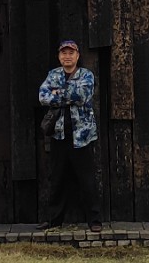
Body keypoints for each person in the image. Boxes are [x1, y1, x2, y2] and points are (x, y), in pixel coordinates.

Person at [37, 39, 101, 231]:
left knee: (87, 179)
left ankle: (95, 220)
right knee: (56, 178)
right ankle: (54, 219)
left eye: (71, 53)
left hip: (82, 135)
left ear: (77, 56)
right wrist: (66, 94)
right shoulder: (53, 74)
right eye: (64, 53)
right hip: (59, 135)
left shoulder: (86, 75)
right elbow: (42, 96)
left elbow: (82, 96)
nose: (67, 56)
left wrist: (57, 94)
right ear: (59, 56)